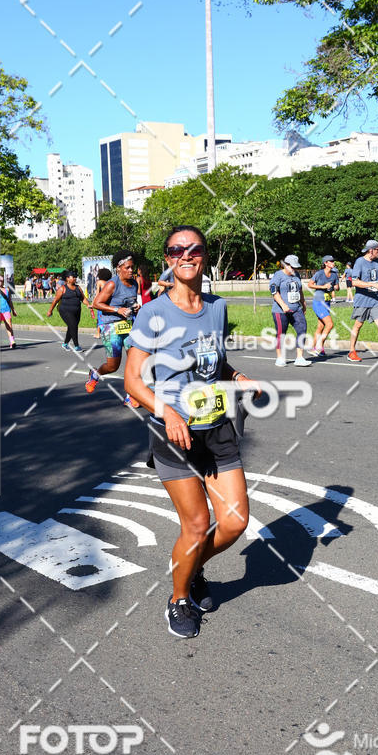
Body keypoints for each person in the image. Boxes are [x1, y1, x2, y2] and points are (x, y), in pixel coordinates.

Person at [124, 225, 260, 639]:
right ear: (167, 258)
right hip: (174, 434)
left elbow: (212, 362)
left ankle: (192, 565)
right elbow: (133, 381)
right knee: (197, 524)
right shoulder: (153, 313)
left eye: (193, 249)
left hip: (216, 429)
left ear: (204, 255)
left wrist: (238, 376)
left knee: (235, 523)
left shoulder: (217, 308)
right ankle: (178, 596)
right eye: (176, 250)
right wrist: (168, 413)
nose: (185, 255)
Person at [86, 250, 141, 408]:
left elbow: (129, 302)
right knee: (113, 366)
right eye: (128, 268)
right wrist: (117, 310)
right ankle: (95, 374)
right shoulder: (112, 284)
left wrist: (135, 307)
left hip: (128, 325)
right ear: (119, 268)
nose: (131, 270)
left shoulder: (134, 283)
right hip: (111, 326)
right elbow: (97, 303)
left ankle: (130, 396)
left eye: (132, 267)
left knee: (134, 362)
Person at [269, 255, 311, 367]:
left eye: (295, 267)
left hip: (296, 308)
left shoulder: (296, 275)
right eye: (292, 267)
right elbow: (273, 291)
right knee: (281, 333)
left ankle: (299, 358)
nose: (294, 269)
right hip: (280, 311)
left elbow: (300, 290)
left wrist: (303, 303)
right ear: (286, 265)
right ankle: (280, 358)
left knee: (302, 329)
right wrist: (283, 305)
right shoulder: (278, 275)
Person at [47, 270, 93, 352]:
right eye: (73, 277)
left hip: (77, 311)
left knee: (72, 327)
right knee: (73, 326)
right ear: (67, 278)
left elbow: (83, 298)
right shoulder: (62, 288)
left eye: (75, 277)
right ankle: (77, 346)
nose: (75, 278)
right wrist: (50, 310)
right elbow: (55, 300)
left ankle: (65, 344)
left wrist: (88, 305)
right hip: (65, 311)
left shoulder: (78, 287)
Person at [307, 255, 338, 357]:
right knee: (330, 324)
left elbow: (337, 287)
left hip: (327, 302)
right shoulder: (319, 274)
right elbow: (310, 284)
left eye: (333, 261)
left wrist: (332, 287)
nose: (333, 263)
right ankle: (318, 346)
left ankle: (314, 348)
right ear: (325, 263)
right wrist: (322, 286)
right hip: (318, 302)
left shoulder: (334, 274)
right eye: (331, 261)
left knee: (321, 326)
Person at [0, 275, 18, 349]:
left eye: (1, 280)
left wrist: (13, 310)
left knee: (9, 326)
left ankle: (12, 342)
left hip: (6, 310)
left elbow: (10, 301)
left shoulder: (7, 290)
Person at [93, 267, 112, 338]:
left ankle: (98, 333)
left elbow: (97, 294)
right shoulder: (110, 282)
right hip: (108, 302)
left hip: (100, 302)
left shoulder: (100, 282)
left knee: (99, 317)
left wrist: (94, 302)